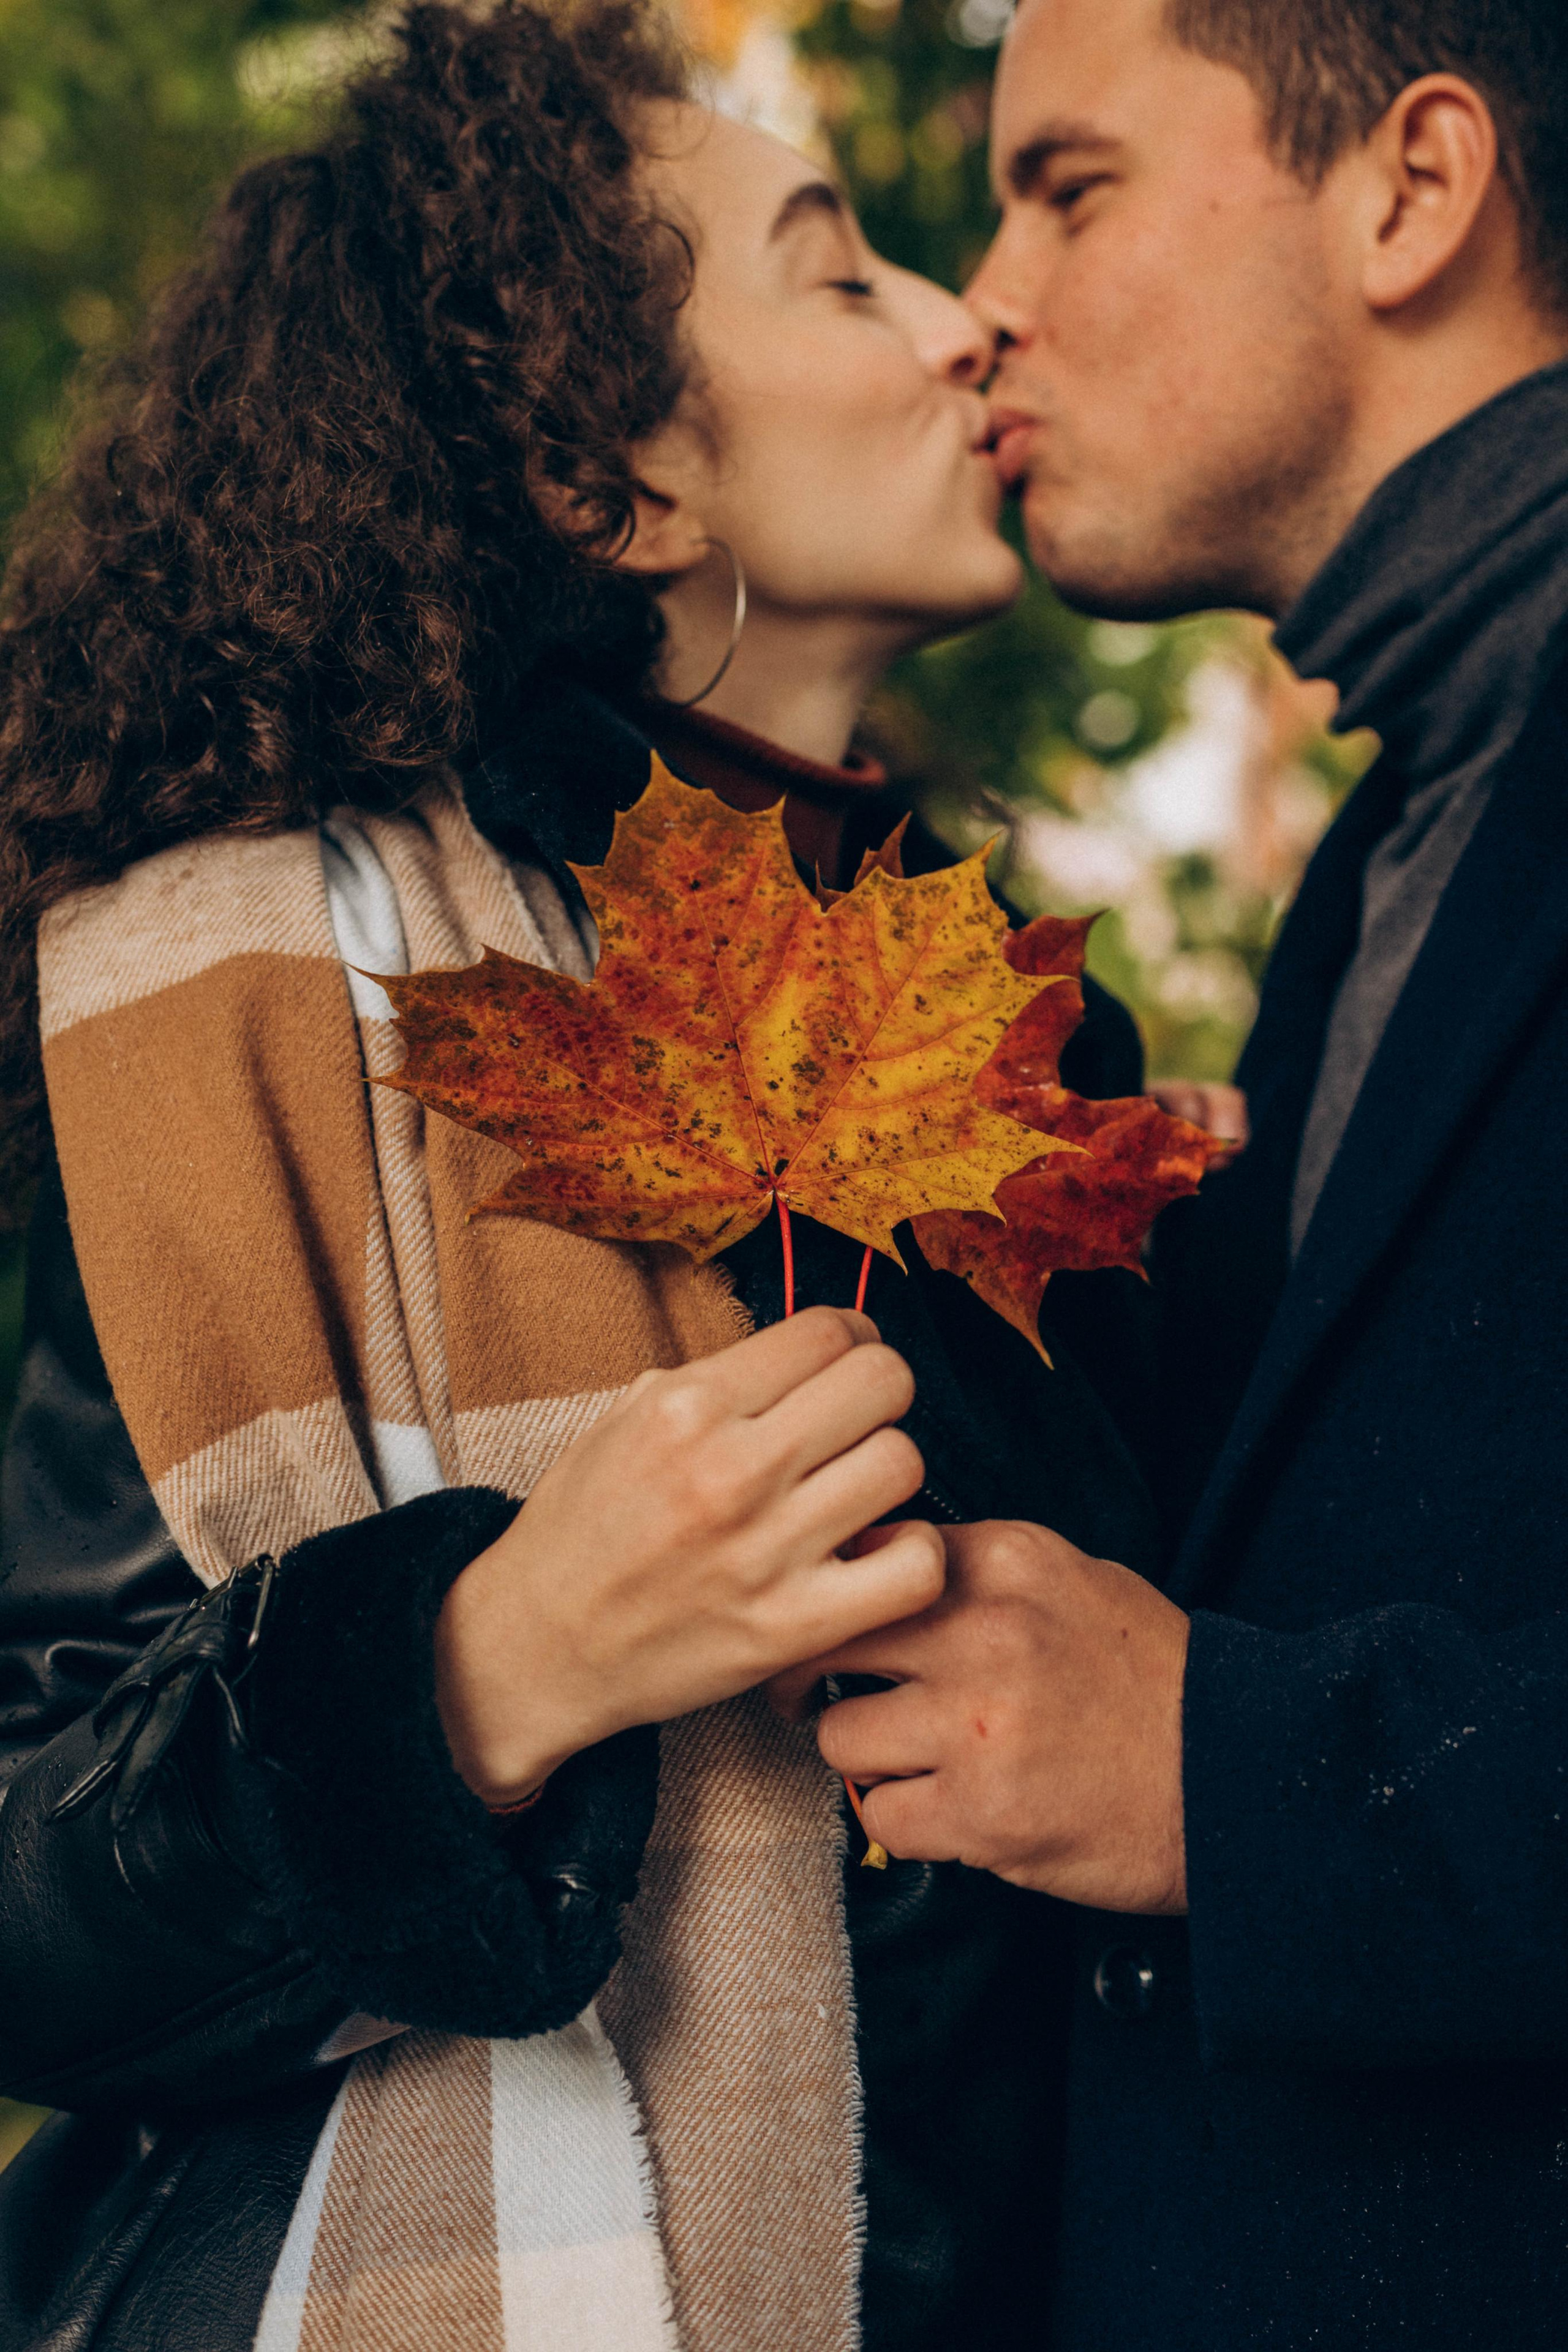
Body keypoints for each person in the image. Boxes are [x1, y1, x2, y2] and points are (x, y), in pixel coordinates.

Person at [0, 4, 1177, 2348]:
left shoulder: (1047, 1049)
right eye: (843, 273)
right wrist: (488, 1667)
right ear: (608, 483)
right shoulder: (264, 988)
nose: (966, 323)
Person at [797, 0, 1568, 2343]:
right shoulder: (1412, 818)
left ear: (1412, 190)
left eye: (1072, 187)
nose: (989, 302)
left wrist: (1232, 1779)